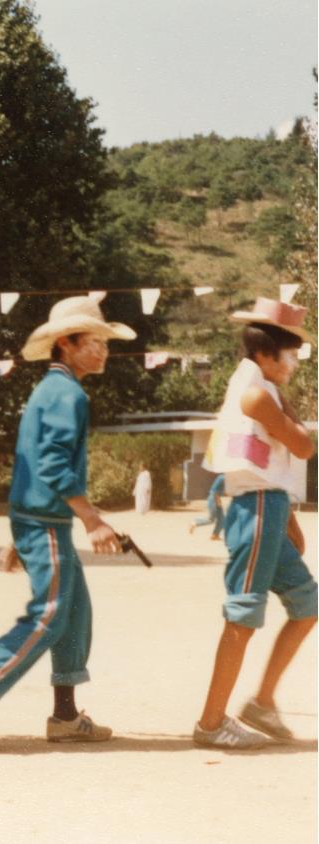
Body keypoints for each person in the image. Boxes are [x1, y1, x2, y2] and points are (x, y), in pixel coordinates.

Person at [0, 296, 134, 754]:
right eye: (95, 342)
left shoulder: (50, 389)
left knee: (74, 614)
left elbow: (29, 461)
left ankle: (65, 715)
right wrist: (92, 518)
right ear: (65, 343)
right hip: (46, 522)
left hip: (40, 521)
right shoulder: (68, 394)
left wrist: (18, 534)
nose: (103, 350)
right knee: (48, 617)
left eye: (105, 342)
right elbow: (49, 461)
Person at [193, 298, 316, 749]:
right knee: (243, 616)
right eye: (289, 356)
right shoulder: (257, 394)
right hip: (256, 509)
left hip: (270, 507)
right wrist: (288, 407)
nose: (294, 366)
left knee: (308, 603)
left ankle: (262, 701)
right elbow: (303, 446)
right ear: (265, 355)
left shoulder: (258, 386)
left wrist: (286, 516)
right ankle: (210, 723)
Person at [189, 474, 225, 541]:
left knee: (222, 519)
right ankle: (195, 522)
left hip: (216, 498)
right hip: (214, 499)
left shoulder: (224, 477)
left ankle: (215, 535)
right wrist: (218, 501)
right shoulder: (222, 478)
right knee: (211, 519)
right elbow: (214, 492)